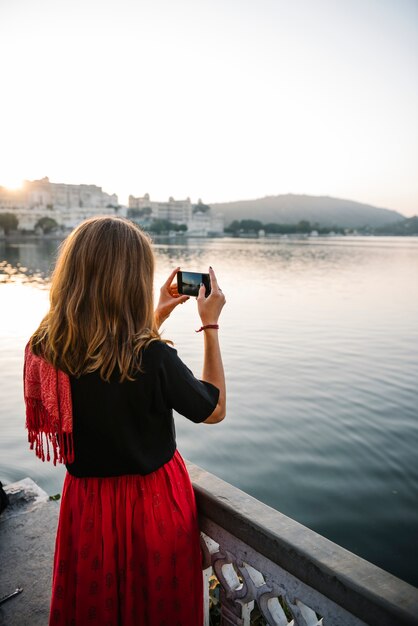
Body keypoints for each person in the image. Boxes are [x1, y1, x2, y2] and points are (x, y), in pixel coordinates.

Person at [23, 216, 226, 626]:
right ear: (133, 279)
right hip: (152, 505)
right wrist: (210, 324)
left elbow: (106, 372)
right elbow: (213, 409)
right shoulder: (153, 357)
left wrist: (157, 316)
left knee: (96, 606)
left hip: (87, 505)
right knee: (154, 607)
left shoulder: (45, 348)